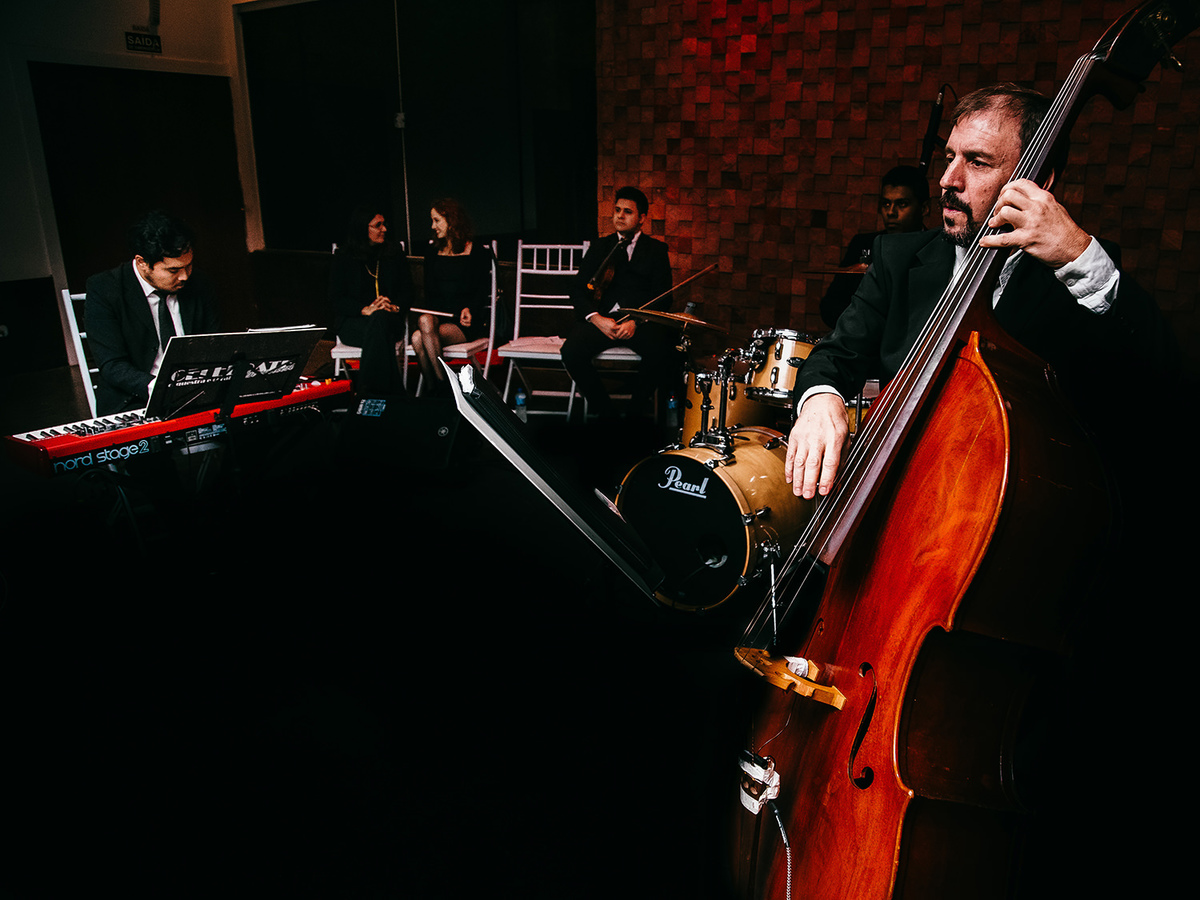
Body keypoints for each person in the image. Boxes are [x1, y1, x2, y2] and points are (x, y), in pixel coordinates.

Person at [786, 83, 1178, 501]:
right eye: (950, 156)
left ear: (1038, 180)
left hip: (1009, 507)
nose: (947, 180)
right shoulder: (897, 257)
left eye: (977, 162)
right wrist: (820, 399)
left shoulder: (1078, 273)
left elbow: (1163, 384)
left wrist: (1078, 257)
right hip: (899, 492)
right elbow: (835, 354)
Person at [85, 210, 220, 416]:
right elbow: (112, 365)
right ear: (142, 263)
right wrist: (161, 388)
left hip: (197, 393)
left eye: (189, 266)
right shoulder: (105, 288)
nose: (184, 276)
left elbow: (213, 343)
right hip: (135, 398)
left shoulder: (200, 284)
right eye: (173, 270)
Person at [561, 185, 674, 420]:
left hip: (639, 323)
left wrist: (637, 321)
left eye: (628, 212)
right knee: (571, 352)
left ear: (642, 218)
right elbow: (578, 292)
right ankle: (606, 413)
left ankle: (634, 415)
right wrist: (596, 319)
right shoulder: (600, 247)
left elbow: (664, 297)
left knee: (662, 351)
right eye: (617, 210)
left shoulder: (656, 250)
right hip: (604, 320)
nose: (620, 215)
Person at [819, 165, 931, 328]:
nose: (891, 212)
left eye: (902, 204)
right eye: (886, 204)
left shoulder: (936, 249)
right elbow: (830, 306)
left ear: (924, 208)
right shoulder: (863, 244)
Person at [410, 199, 494, 389]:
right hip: (438, 319)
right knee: (420, 330)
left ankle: (440, 389)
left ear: (452, 221)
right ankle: (440, 387)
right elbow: (430, 295)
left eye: (437, 220)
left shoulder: (476, 251)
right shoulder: (432, 252)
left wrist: (470, 309)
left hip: (464, 323)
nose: (433, 226)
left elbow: (482, 290)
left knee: (420, 333)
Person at [330, 204, 414, 395]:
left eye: (384, 224)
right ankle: (391, 395)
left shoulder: (393, 254)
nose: (384, 229)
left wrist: (394, 307)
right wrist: (364, 309)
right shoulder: (343, 257)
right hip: (354, 323)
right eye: (378, 225)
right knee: (377, 325)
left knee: (380, 320)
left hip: (390, 320)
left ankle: (367, 393)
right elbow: (336, 299)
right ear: (362, 228)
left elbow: (408, 292)